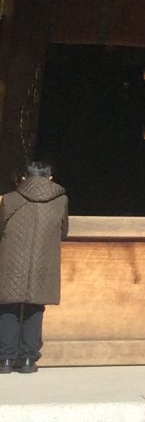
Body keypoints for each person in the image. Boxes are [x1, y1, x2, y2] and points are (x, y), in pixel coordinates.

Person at [0, 160, 69, 374]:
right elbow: (63, 231)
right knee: (35, 307)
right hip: (43, 259)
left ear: (26, 176)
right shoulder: (60, 200)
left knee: (8, 307)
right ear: (49, 177)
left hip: (12, 258)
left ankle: (5, 360)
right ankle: (29, 359)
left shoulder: (10, 198)